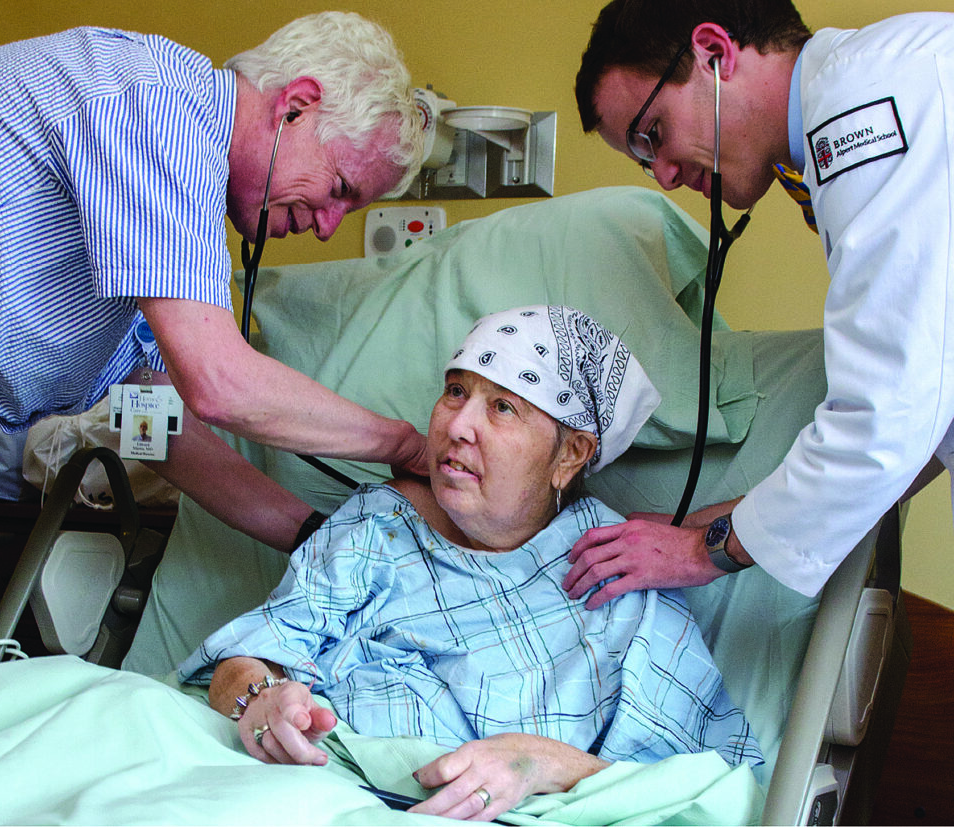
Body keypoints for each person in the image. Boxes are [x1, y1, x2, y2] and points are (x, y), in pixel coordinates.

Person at [0, 11, 425, 681]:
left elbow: (158, 425)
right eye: (339, 189)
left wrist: (315, 536)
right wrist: (404, 445)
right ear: (296, 106)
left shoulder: (168, 214)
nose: (327, 225)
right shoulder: (153, 107)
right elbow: (218, 383)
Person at [179, 306, 763, 822]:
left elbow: (698, 795)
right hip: (302, 793)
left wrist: (545, 764)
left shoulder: (621, 571)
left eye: (503, 407)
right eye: (456, 391)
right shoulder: (376, 525)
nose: (457, 425)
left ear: (571, 455)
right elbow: (247, 656)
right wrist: (262, 697)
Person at [566, 0, 954, 604]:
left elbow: (891, 411)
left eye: (653, 136)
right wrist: (746, 519)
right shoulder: (864, 104)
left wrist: (706, 551)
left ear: (714, 53)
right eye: (645, 162)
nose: (664, 176)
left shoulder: (872, 109)